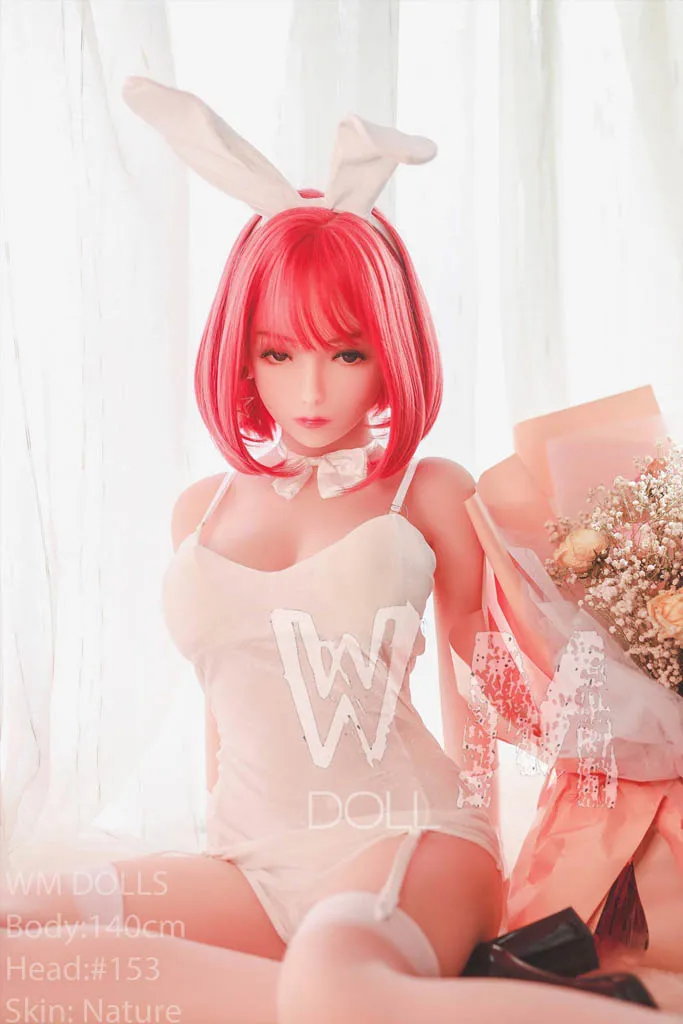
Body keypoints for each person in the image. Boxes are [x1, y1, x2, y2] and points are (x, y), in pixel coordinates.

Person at [1, 75, 680, 1024]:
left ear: (389, 350)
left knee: (334, 976)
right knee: (17, 940)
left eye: (346, 352)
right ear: (241, 355)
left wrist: (502, 832)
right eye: (278, 353)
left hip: (411, 837)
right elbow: (223, 709)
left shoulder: (425, 490)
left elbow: (477, 683)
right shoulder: (199, 512)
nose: (312, 390)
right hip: (248, 860)